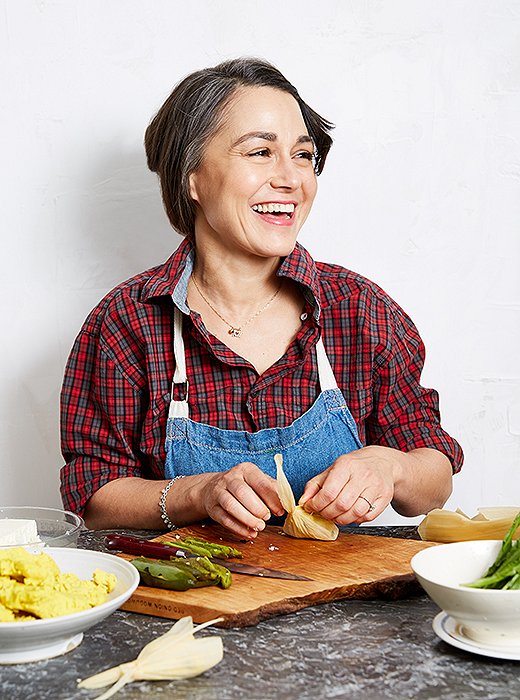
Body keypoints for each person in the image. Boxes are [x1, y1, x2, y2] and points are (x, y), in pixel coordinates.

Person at [60, 57, 463, 539]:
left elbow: (433, 482)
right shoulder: (127, 322)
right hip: (195, 602)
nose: (292, 179)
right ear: (191, 177)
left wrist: (389, 465)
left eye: (302, 155)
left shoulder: (359, 309)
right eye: (259, 153)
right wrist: (199, 493)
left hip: (344, 601)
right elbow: (94, 497)